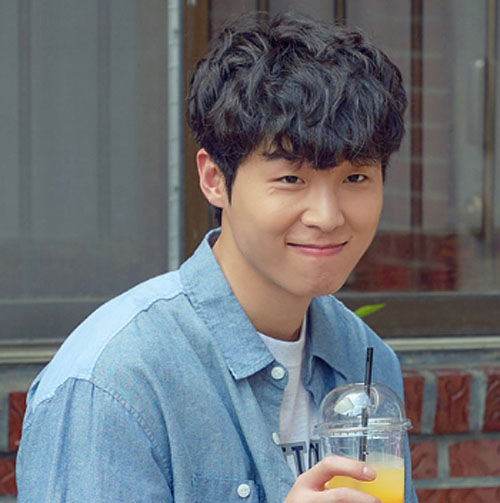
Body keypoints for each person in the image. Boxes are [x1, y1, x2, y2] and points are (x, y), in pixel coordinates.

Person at [16, 11, 418, 503]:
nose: (327, 216)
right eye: (290, 179)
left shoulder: (364, 359)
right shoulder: (115, 382)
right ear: (213, 179)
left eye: (355, 178)